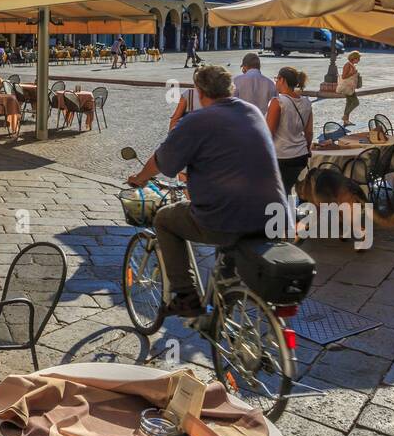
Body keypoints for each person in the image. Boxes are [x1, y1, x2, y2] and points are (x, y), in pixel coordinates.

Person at [126, 64, 287, 316]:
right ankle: (224, 312)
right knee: (229, 253)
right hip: (273, 215)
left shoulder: (197, 120)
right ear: (230, 88)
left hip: (226, 216)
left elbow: (162, 162)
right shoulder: (253, 111)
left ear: (199, 91)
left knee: (165, 219)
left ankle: (185, 295)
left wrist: (140, 178)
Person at [266, 67, 313, 196]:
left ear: (282, 80)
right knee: (290, 191)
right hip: (300, 155)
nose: (275, 81)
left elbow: (269, 134)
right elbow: (309, 132)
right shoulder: (306, 102)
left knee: (280, 195)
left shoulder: (278, 102)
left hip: (281, 156)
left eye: (276, 78)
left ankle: (284, 215)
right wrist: (307, 148)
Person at [340, 51, 362, 126]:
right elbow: (343, 76)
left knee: (349, 103)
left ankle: (346, 121)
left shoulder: (351, 65)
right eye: (358, 58)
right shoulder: (347, 65)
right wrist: (353, 73)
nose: (359, 60)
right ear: (354, 58)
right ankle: (345, 117)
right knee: (356, 102)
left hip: (350, 87)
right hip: (347, 87)